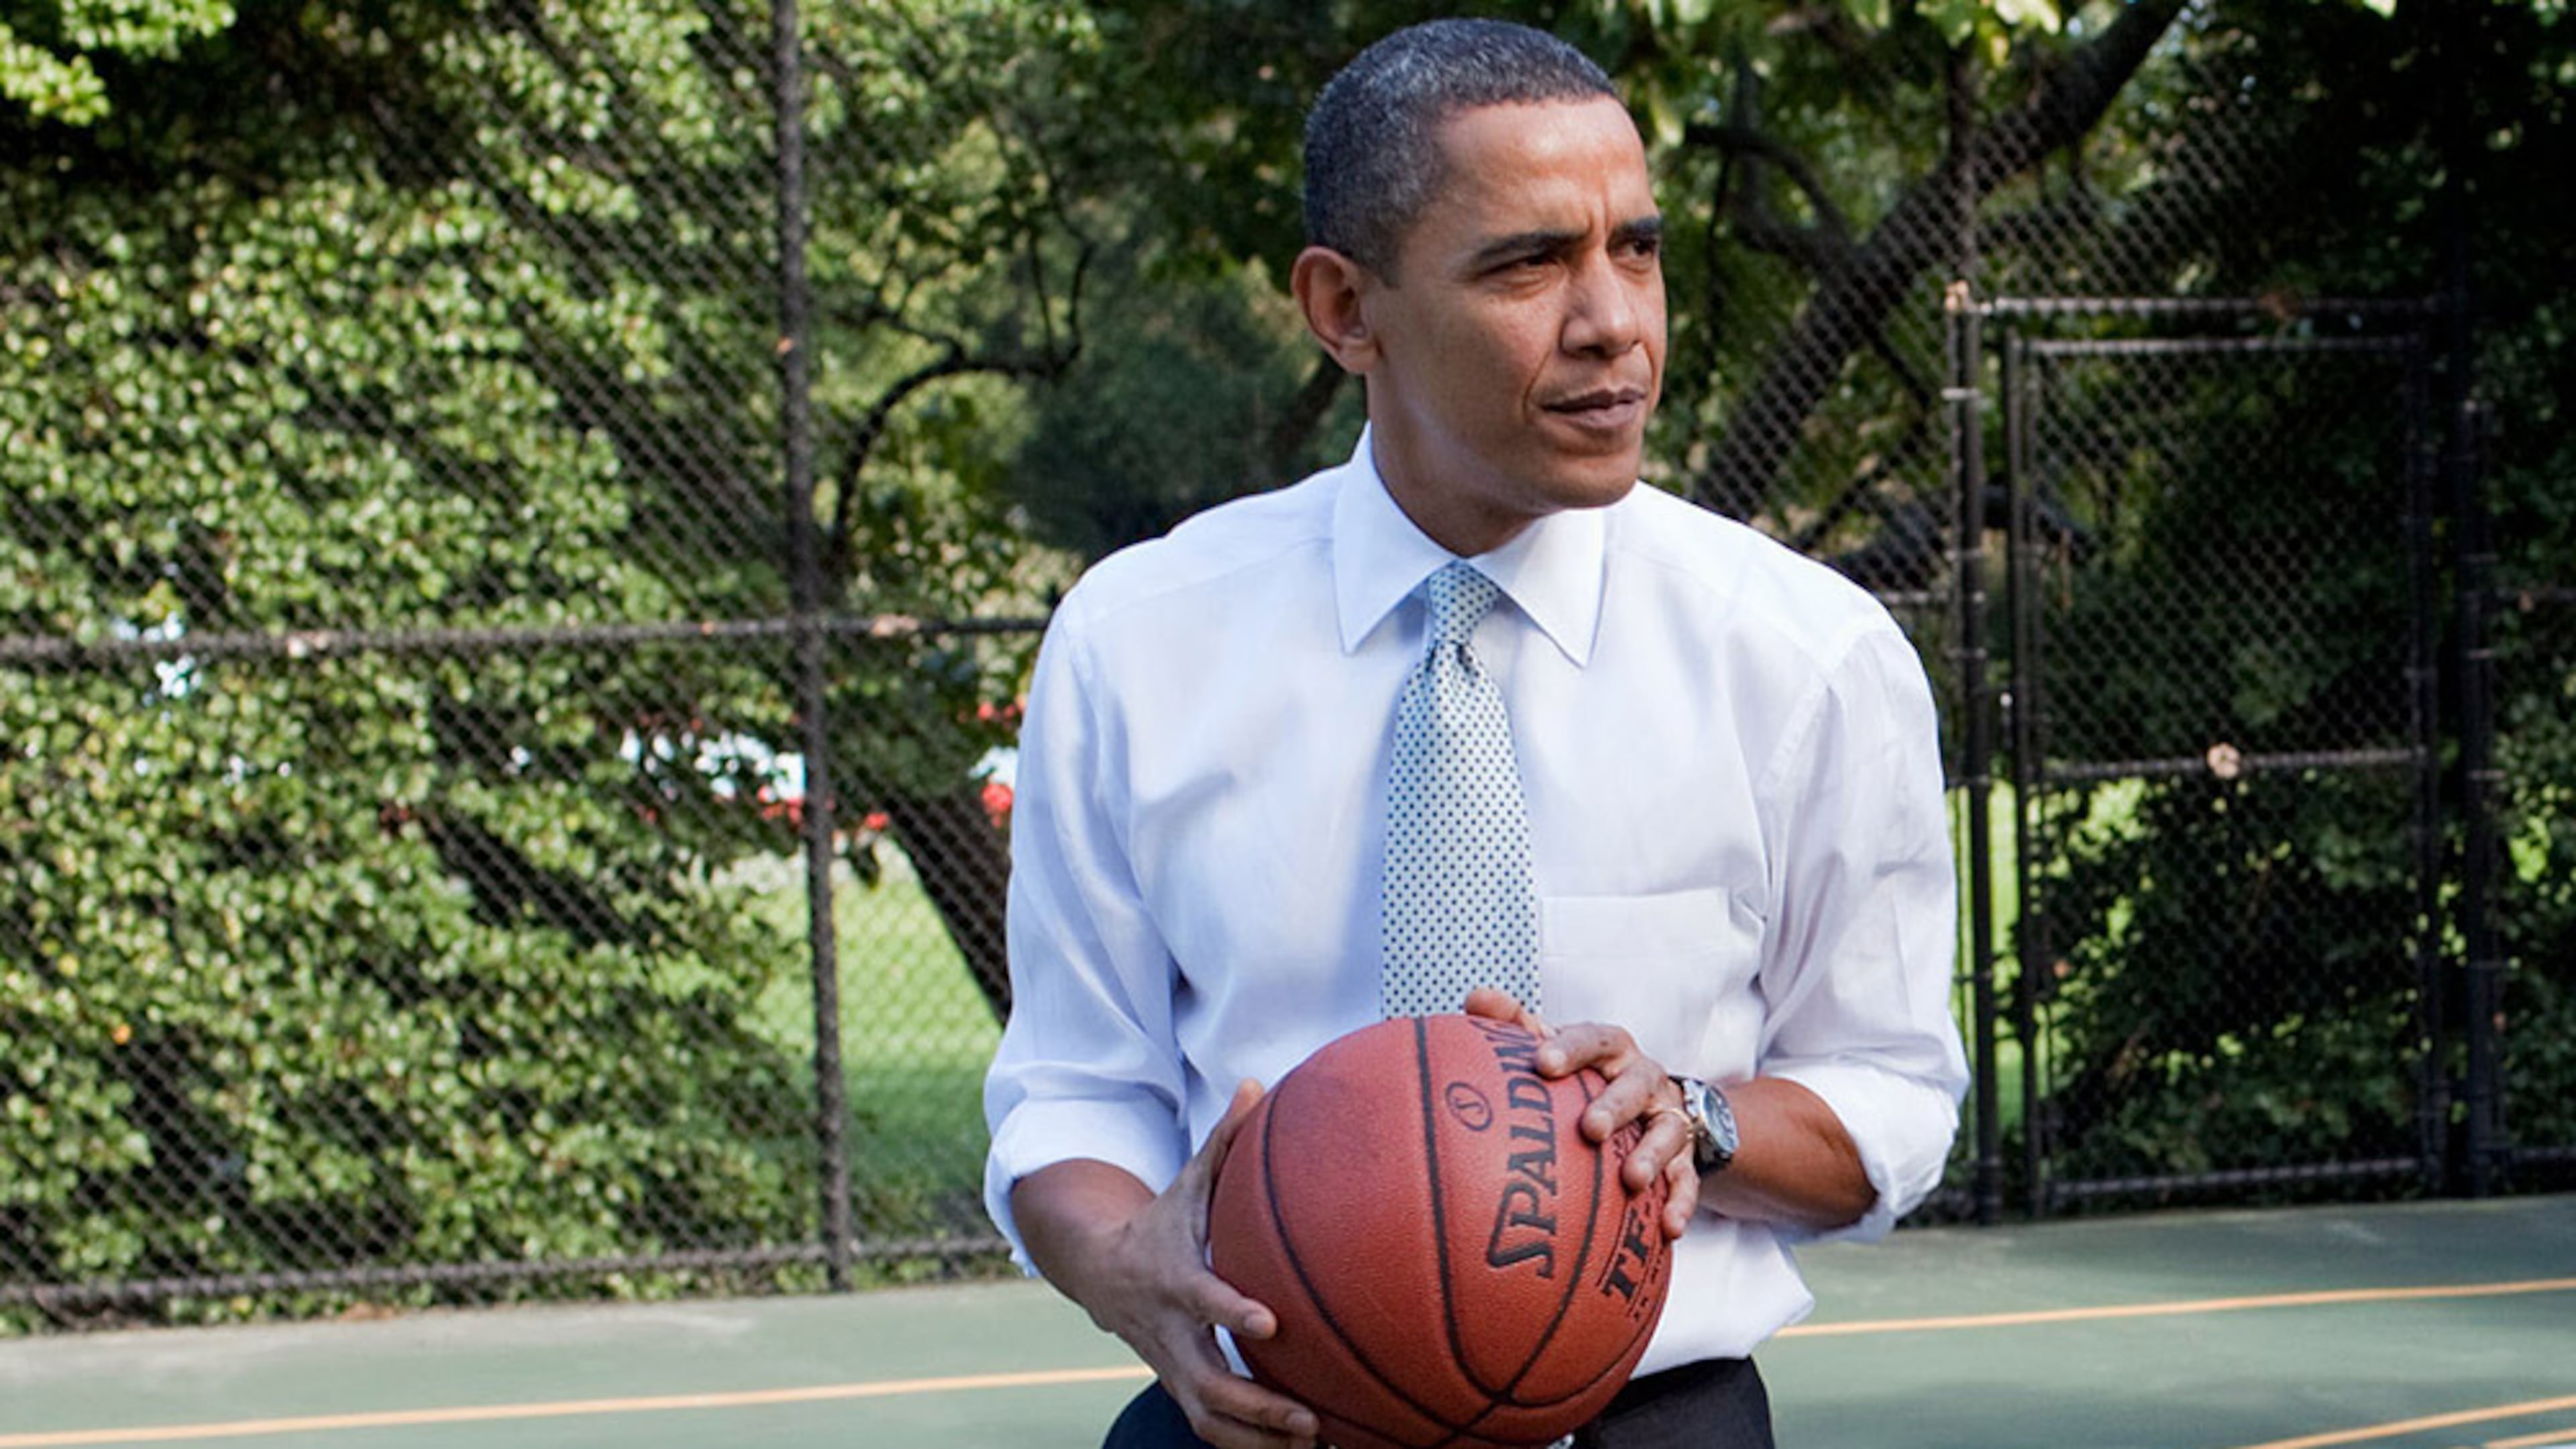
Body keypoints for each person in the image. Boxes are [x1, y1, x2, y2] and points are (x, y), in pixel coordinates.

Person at [982, 18, 1967, 1449]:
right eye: (1527, 265)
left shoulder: (1808, 657)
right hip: (1260, 1414)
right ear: (1345, 309)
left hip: (1650, 1416)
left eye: (1637, 248)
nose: (1614, 321)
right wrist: (1121, 1261)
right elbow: (1076, 1089)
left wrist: (1694, 1118)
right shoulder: (1139, 641)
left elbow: (1890, 1093)